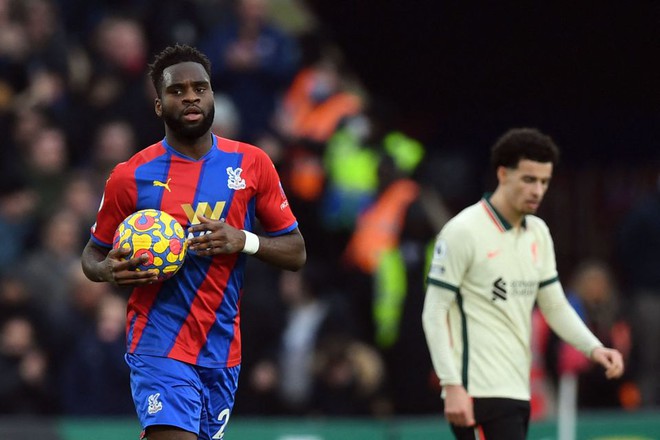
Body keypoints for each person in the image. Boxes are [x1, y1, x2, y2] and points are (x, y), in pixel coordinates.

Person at [80, 44, 306, 440]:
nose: (190, 97)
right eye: (177, 90)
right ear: (158, 105)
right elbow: (92, 253)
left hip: (221, 347)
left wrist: (244, 240)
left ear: (213, 96)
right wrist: (106, 271)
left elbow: (296, 251)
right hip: (158, 340)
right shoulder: (130, 176)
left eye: (200, 88)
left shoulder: (252, 164)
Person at [421, 128, 624, 440]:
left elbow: (554, 304)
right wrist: (452, 385)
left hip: (517, 388)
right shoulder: (463, 231)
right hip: (476, 391)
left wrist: (593, 348)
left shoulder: (538, 233)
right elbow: (433, 312)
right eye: (529, 179)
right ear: (503, 174)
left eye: (544, 182)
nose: (538, 190)